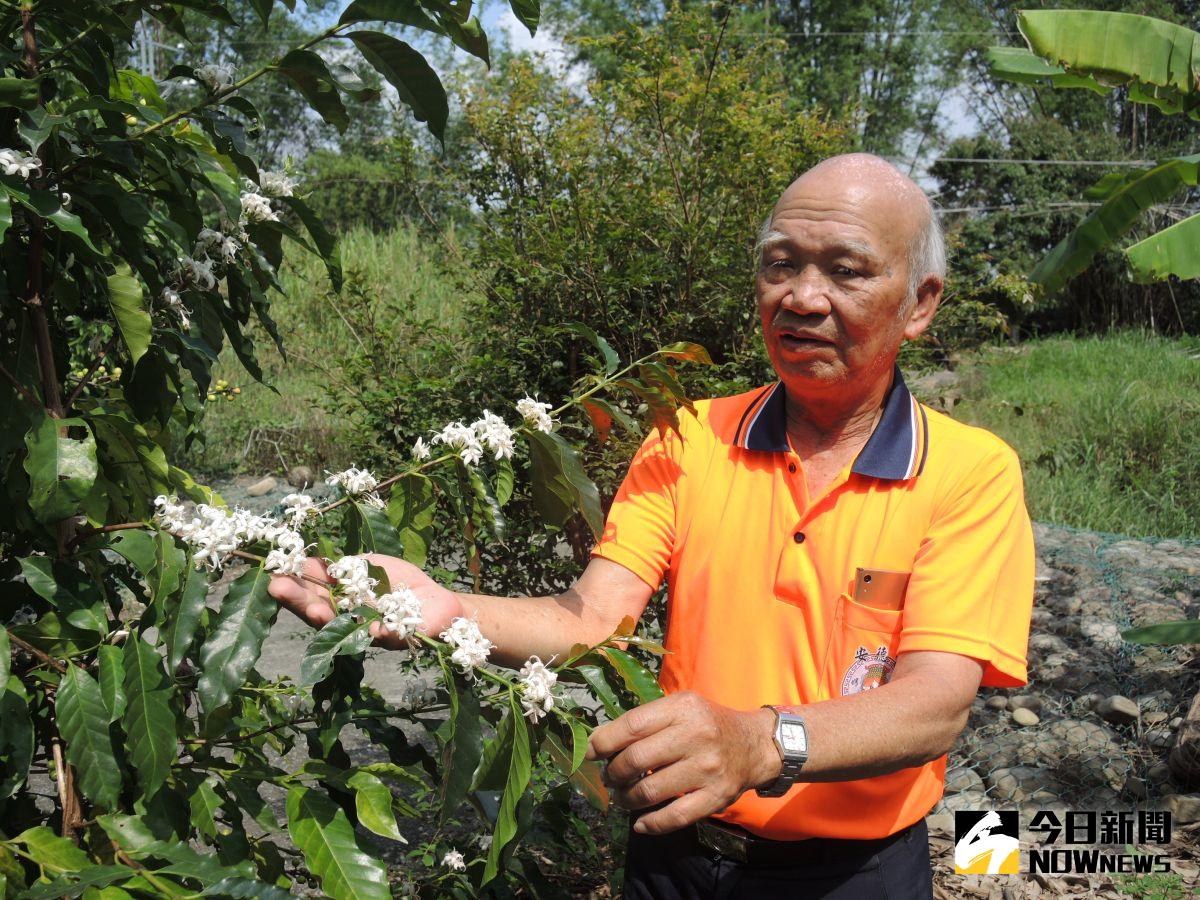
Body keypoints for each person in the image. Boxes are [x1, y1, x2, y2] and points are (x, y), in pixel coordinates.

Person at [268, 152, 1035, 899]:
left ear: (921, 304)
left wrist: (762, 742)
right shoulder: (688, 437)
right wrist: (452, 608)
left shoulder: (969, 472)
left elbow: (935, 701)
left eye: (847, 269)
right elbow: (597, 615)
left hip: (853, 874)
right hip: (673, 856)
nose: (802, 296)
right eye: (780, 264)